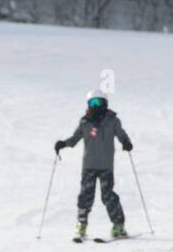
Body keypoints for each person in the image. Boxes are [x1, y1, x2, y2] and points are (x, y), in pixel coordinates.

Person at [54, 90, 133, 242]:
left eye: (99, 102)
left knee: (108, 196)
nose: (96, 106)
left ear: (105, 104)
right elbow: (74, 139)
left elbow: (121, 134)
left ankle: (118, 226)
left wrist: (126, 142)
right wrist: (63, 143)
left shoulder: (113, 121)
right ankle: (81, 225)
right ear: (88, 104)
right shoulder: (85, 123)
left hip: (106, 166)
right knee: (85, 196)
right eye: (92, 103)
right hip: (89, 166)